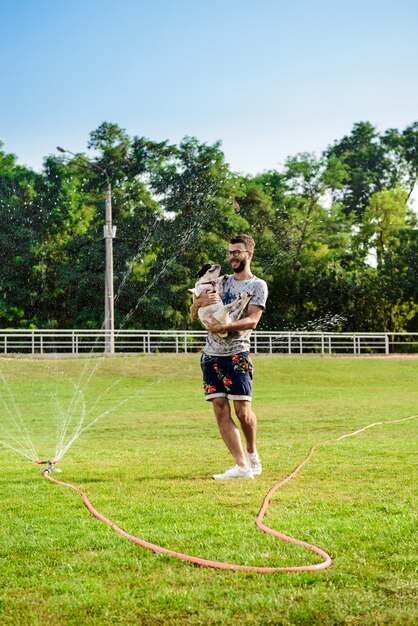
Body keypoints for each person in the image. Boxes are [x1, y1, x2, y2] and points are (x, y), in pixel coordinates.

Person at [190, 234, 268, 479]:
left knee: (243, 412)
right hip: (211, 355)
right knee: (220, 410)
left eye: (237, 252)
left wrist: (222, 328)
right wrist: (198, 302)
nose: (232, 256)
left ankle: (252, 454)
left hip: (237, 354)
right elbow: (194, 315)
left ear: (249, 254)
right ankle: (242, 467)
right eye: (230, 252)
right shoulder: (219, 282)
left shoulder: (257, 285)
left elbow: (253, 321)